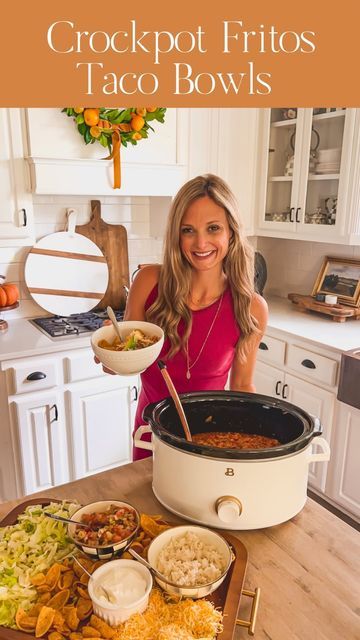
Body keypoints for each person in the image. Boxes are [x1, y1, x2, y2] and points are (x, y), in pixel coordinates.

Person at [101, 174, 268, 460]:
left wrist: (251, 449)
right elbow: (124, 361)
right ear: (176, 235)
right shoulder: (149, 282)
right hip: (150, 435)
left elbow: (241, 386)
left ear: (231, 232)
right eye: (188, 230)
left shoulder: (250, 308)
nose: (200, 243)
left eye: (213, 228)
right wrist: (111, 354)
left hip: (210, 441)